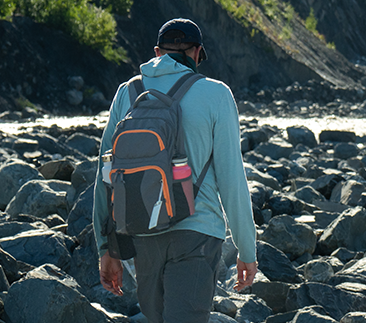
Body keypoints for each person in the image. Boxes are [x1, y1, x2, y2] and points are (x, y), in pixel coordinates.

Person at [95, 19, 258, 323]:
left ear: (157, 52)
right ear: (197, 54)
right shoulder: (216, 94)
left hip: (143, 228)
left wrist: (107, 248)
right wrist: (246, 249)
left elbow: (105, 176)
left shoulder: (127, 93)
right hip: (197, 232)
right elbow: (232, 178)